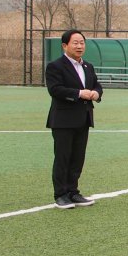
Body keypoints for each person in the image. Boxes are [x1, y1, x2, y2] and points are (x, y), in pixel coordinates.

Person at [45, 28, 104, 208]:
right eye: (75, 43)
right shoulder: (55, 66)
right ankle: (61, 194)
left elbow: (97, 85)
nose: (79, 46)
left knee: (78, 157)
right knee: (63, 157)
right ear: (65, 46)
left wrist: (96, 93)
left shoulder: (88, 66)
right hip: (63, 120)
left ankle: (73, 191)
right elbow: (55, 90)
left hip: (83, 118)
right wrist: (79, 93)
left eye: (82, 43)